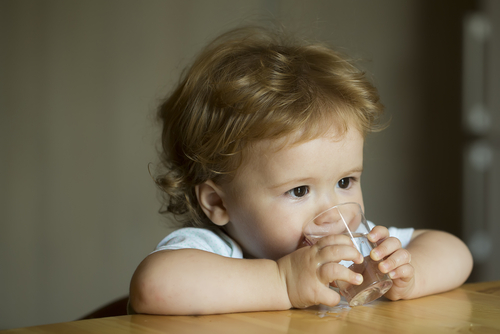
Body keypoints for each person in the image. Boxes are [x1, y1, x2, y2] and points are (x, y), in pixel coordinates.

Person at [129, 25, 473, 315]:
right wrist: (282, 282)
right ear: (219, 204)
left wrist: (410, 275)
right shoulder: (213, 251)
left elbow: (455, 251)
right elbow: (153, 287)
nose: (332, 213)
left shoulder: (358, 250)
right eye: (299, 190)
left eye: (345, 181)